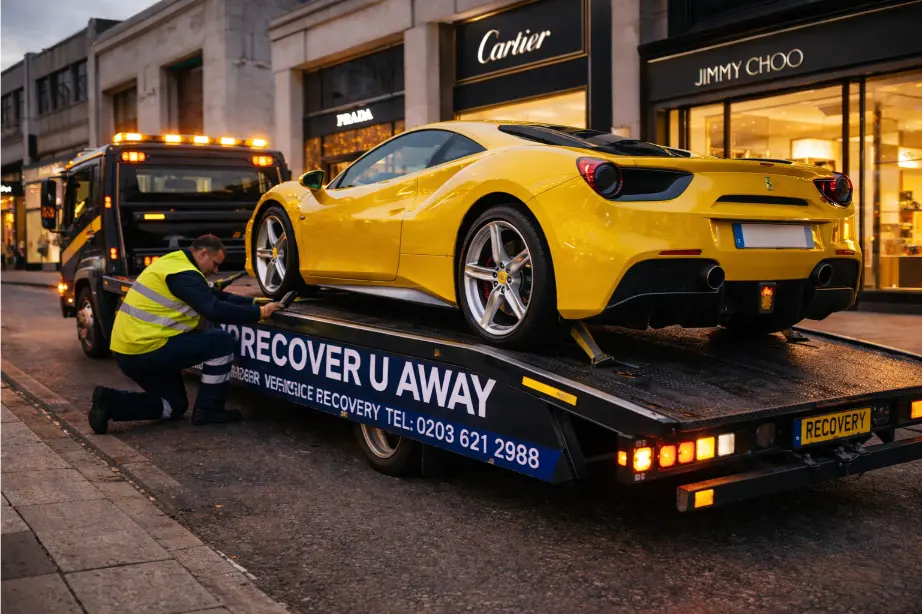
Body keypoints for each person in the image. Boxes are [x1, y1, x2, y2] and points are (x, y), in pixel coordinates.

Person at [89, 234, 284, 433]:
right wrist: (259, 313)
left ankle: (109, 402)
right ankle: (209, 409)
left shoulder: (175, 264)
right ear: (203, 254)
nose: (216, 270)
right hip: (146, 349)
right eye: (215, 264)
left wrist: (254, 302)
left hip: (130, 349)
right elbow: (214, 309)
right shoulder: (184, 275)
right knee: (221, 342)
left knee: (174, 406)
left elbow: (214, 295)